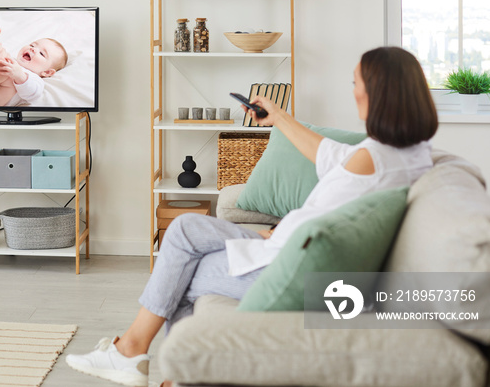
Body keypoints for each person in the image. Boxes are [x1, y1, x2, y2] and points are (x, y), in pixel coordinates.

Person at [65, 46, 439, 387]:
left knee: (182, 263)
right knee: (183, 231)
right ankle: (151, 363)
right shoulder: (402, 153)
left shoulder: (376, 159)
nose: (353, 90)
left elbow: (333, 225)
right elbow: (328, 156)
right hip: (289, 246)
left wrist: (278, 237)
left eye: (356, 83)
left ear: (379, 91)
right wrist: (277, 117)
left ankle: (140, 356)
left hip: (297, 266)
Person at [0, 36, 68, 106]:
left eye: (42, 54)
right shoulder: (11, 59)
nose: (33, 49)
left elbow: (33, 94)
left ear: (47, 72)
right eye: (32, 45)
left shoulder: (33, 78)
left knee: (8, 78)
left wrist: (19, 75)